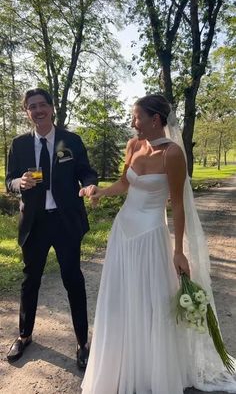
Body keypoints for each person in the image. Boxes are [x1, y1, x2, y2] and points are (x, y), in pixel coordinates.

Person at [80, 94, 236, 393]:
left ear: (155, 119)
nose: (132, 122)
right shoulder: (133, 145)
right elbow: (125, 184)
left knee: (150, 301)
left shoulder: (173, 154)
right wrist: (100, 192)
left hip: (151, 234)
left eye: (136, 116)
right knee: (121, 300)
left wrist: (178, 251)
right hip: (123, 231)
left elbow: (177, 206)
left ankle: (153, 368)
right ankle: (123, 363)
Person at [6, 88, 98, 369]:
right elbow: (8, 180)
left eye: (42, 105)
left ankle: (83, 342)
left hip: (65, 220)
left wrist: (89, 184)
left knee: (72, 278)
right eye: (31, 106)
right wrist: (17, 184)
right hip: (34, 222)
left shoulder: (70, 140)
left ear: (52, 107)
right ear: (26, 112)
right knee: (30, 279)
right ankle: (24, 335)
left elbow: (86, 170)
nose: (38, 110)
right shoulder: (19, 144)